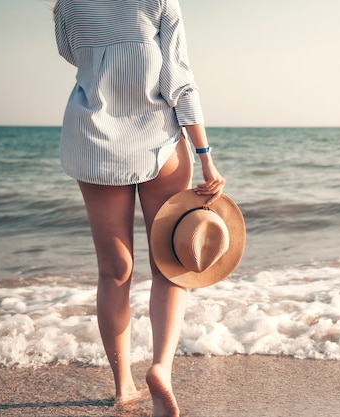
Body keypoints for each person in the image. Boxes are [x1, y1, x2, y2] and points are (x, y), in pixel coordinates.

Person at [53, 1, 224, 415]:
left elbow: (70, 54)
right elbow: (179, 81)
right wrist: (205, 156)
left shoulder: (67, 6)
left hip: (94, 141)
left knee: (114, 271)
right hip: (157, 141)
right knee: (171, 261)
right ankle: (161, 368)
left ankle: (122, 385)